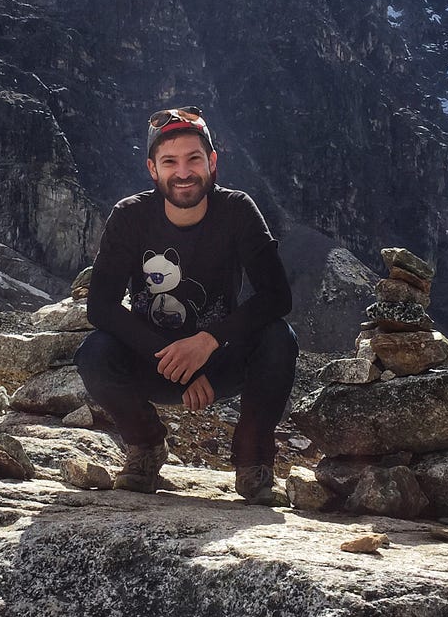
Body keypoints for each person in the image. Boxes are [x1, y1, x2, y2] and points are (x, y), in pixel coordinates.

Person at [75, 106, 298, 504]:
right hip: (152, 360)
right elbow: (101, 306)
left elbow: (277, 295)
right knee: (94, 352)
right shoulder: (129, 217)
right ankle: (145, 447)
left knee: (279, 338)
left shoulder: (238, 211)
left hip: (217, 361)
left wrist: (207, 342)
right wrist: (176, 364)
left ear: (212, 162)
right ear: (152, 169)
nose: (183, 172)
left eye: (194, 158)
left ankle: (253, 464)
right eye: (170, 161)